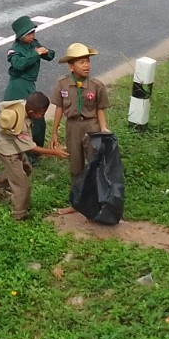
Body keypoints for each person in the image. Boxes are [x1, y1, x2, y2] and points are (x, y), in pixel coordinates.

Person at [0, 92, 68, 220]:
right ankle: (19, 214)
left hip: (15, 147)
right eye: (41, 114)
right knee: (22, 186)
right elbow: (32, 148)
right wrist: (54, 152)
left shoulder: (22, 105)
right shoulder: (21, 125)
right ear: (32, 112)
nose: (42, 116)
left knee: (26, 169)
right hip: (9, 152)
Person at [49, 43, 110, 214]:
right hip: (73, 127)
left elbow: (100, 108)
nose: (86, 65)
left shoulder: (96, 85)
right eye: (81, 62)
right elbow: (59, 108)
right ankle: (76, 203)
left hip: (91, 126)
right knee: (75, 166)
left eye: (88, 61)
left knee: (95, 164)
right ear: (71, 66)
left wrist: (103, 128)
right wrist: (54, 132)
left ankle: (99, 203)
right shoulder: (62, 85)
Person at [3, 15, 54, 148]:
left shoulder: (34, 44)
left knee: (37, 118)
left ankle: (37, 147)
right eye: (29, 34)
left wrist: (45, 52)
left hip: (30, 84)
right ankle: (24, 148)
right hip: (18, 86)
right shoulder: (14, 50)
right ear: (20, 36)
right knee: (22, 118)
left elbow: (50, 56)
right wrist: (35, 54)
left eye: (33, 33)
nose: (32, 36)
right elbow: (19, 64)